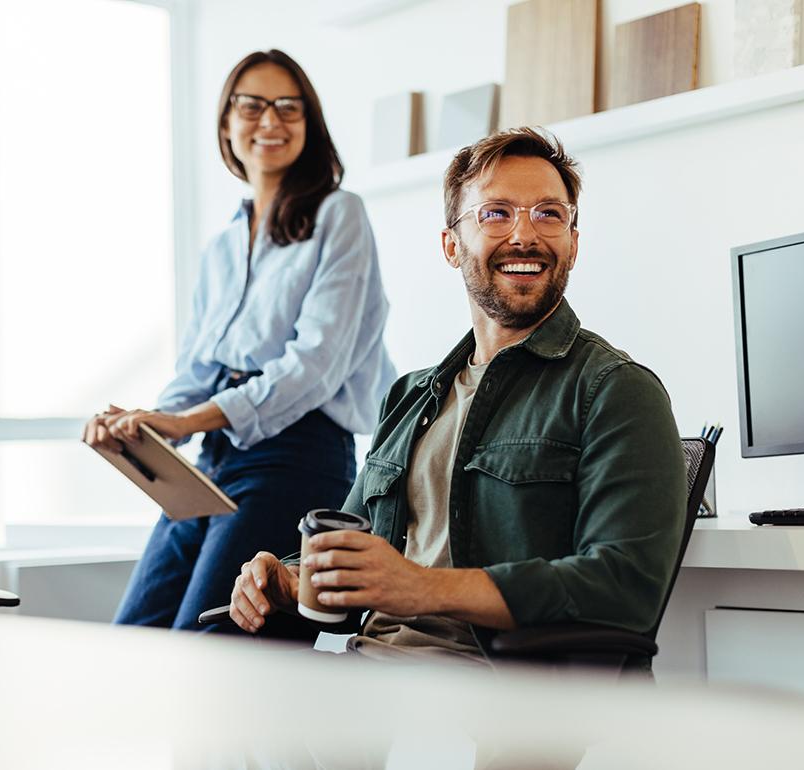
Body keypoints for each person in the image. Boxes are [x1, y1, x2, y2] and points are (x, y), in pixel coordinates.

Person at [227, 127, 687, 668]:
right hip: (364, 679)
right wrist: (288, 579)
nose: (525, 235)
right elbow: (353, 562)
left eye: (549, 214)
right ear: (452, 246)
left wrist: (423, 587)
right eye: (495, 213)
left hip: (489, 699)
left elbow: (623, 589)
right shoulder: (410, 395)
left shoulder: (615, 390)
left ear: (573, 244)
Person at [86, 49, 395, 631]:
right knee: (132, 634)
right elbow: (199, 366)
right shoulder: (223, 244)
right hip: (216, 458)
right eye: (251, 105)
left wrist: (186, 421)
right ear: (227, 122)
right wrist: (145, 423)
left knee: (207, 646)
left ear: (311, 122)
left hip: (297, 457)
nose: (270, 121)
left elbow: (314, 367)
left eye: (288, 106)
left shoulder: (340, 215)